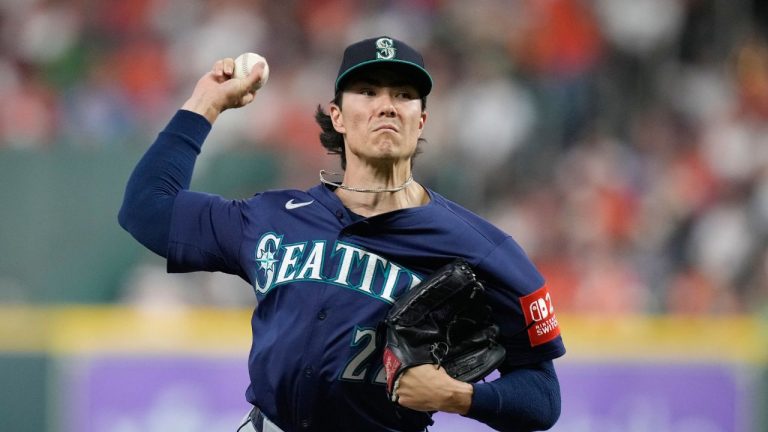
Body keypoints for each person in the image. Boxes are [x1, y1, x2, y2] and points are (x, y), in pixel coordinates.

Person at [119, 36, 565, 432]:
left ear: (421, 120)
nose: (386, 104)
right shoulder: (274, 217)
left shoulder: (482, 249)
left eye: (403, 95)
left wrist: (461, 397)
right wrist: (206, 102)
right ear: (337, 116)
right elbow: (146, 209)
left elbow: (543, 395)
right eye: (367, 92)